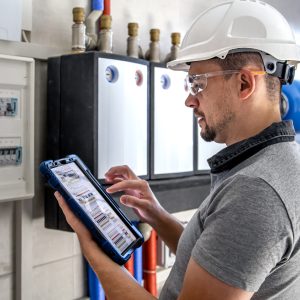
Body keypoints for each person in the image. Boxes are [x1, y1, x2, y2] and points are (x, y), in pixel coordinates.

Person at [54, 0, 300, 299]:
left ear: (244, 83)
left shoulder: (255, 191)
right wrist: (157, 215)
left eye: (197, 84)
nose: (189, 101)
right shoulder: (278, 162)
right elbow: (221, 263)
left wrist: (93, 249)